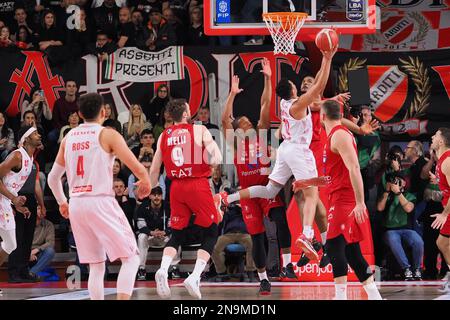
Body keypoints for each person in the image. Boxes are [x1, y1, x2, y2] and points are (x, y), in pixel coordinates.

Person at [220, 48, 337, 263]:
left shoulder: (283, 104)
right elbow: (319, 86)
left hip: (285, 151)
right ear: (293, 90)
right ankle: (307, 235)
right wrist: (327, 59)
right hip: (299, 151)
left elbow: (269, 101)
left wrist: (268, 79)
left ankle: (230, 197)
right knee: (311, 195)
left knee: (270, 190)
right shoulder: (298, 104)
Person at [48, 93, 152, 300]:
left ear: (79, 113)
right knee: (131, 258)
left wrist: (62, 202)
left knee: (96, 265)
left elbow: (52, 178)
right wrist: (146, 180)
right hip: (100, 200)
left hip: (76, 203)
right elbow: (135, 166)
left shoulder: (68, 138)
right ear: (104, 112)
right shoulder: (107, 135)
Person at [217, 58, 296, 296]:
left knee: (281, 218)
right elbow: (223, 120)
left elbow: (265, 103)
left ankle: (289, 264)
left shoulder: (260, 135)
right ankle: (263, 279)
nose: (248, 123)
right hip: (249, 195)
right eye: (243, 123)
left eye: (249, 122)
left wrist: (268, 78)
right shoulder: (234, 143)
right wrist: (231, 94)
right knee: (258, 238)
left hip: (266, 189)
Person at [295, 99, 382, 300]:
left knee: (333, 246)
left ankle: (340, 297)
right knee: (352, 251)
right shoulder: (334, 136)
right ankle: (375, 296)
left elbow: (354, 168)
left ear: (323, 117)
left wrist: (360, 202)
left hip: (345, 198)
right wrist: (306, 182)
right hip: (339, 196)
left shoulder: (340, 135)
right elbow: (332, 176)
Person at [150, 98, 222, 300]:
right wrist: (212, 159)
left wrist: (147, 187)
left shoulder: (164, 135)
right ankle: (195, 276)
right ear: (184, 115)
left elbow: (155, 169)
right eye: (189, 110)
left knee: (178, 233)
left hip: (176, 187)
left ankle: (163, 269)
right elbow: (216, 158)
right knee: (211, 230)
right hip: (197, 184)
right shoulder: (199, 130)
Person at [0, 126, 42, 291]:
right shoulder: (18, 155)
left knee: (10, 244)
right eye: (35, 133)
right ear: (26, 139)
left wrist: (17, 205)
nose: (39, 136)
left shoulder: (30, 159)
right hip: (3, 199)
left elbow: (11, 184)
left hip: (6, 201)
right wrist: (13, 199)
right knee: (10, 243)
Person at [376, 172, 423, 280]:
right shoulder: (386, 195)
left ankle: (417, 269)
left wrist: (398, 193)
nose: (395, 183)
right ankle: (406, 268)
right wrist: (387, 191)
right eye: (393, 181)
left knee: (418, 241)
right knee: (393, 239)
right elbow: (379, 208)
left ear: (404, 183)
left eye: (398, 181)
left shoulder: (409, 195)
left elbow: (408, 208)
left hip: (406, 229)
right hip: (390, 230)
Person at [135, 186, 170, 280]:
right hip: (150, 237)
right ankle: (141, 268)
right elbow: (140, 226)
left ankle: (175, 268)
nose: (156, 197)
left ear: (162, 196)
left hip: (164, 237)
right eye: (154, 195)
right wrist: (151, 232)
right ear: (150, 196)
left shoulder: (168, 206)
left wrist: (165, 232)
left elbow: (172, 224)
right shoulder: (143, 206)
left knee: (176, 235)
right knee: (141, 236)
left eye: (159, 195)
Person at [430, 128, 450, 292]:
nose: (432, 137)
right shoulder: (441, 159)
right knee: (442, 242)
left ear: (442, 141)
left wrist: (444, 214)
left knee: (442, 242)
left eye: (435, 135)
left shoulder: (448, 160)